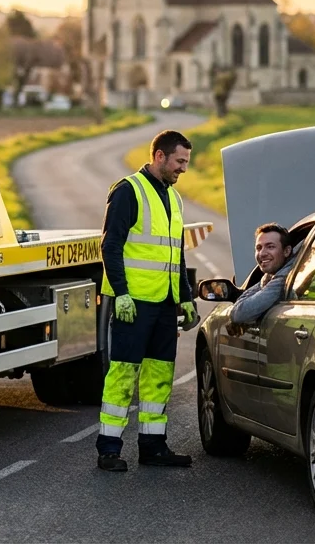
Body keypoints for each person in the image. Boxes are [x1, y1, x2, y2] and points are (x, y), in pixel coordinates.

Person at [95, 129, 199, 472]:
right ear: (160, 157)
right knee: (123, 375)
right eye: (179, 161)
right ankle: (109, 449)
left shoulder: (175, 198)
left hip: (164, 305)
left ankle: (153, 446)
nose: (183, 168)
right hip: (133, 305)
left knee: (158, 377)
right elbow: (110, 246)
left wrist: (185, 298)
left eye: (186, 161)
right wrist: (121, 294)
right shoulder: (128, 191)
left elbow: (177, 254)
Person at [228, 223, 296, 331]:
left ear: (287, 251)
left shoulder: (284, 278)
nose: (262, 253)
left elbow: (240, 313)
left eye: (270, 247)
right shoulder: (269, 277)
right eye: (259, 248)